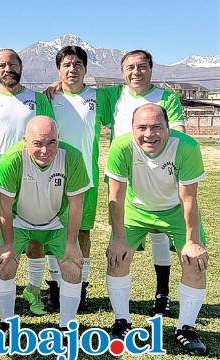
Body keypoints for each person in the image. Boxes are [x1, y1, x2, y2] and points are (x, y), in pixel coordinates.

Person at [47, 49, 186, 316]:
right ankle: (68, 288)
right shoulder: (113, 95)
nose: (136, 72)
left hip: (157, 175)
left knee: (158, 232)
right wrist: (57, 85)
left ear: (151, 68)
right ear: (122, 72)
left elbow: (178, 134)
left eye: (141, 66)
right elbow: (73, 89)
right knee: (114, 238)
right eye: (130, 68)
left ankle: (162, 294)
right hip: (121, 179)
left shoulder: (165, 98)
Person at [105, 104, 208, 354]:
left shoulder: (187, 147)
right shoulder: (120, 147)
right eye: (142, 127)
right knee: (117, 258)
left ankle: (186, 329)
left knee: (195, 261)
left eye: (156, 127)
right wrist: (118, 238)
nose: (149, 134)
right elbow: (115, 198)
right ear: (132, 129)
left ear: (168, 128)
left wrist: (192, 241)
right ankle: (122, 322)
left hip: (174, 209)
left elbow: (189, 199)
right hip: (136, 210)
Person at [0, 49, 54, 315]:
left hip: (32, 182)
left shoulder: (38, 99)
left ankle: (32, 289)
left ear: (21, 67)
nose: (8, 68)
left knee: (35, 238)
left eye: (12, 64)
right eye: (2, 65)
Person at [0, 116, 89, 331]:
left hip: (56, 221)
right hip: (20, 221)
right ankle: (6, 324)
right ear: (25, 140)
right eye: (37, 144)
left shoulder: (73, 157)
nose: (45, 150)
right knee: (6, 263)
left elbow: (76, 205)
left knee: (72, 265)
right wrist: (8, 244)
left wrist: (72, 244)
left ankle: (67, 327)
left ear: (58, 138)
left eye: (51, 143)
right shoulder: (11, 159)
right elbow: (4, 207)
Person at [46, 46, 110, 311]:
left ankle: (80, 287)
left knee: (83, 232)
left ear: (86, 68)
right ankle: (55, 286)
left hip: (86, 178)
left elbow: (132, 96)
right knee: (52, 230)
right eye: (67, 65)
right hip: (52, 176)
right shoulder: (48, 99)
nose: (72, 69)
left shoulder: (99, 97)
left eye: (77, 64)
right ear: (59, 69)